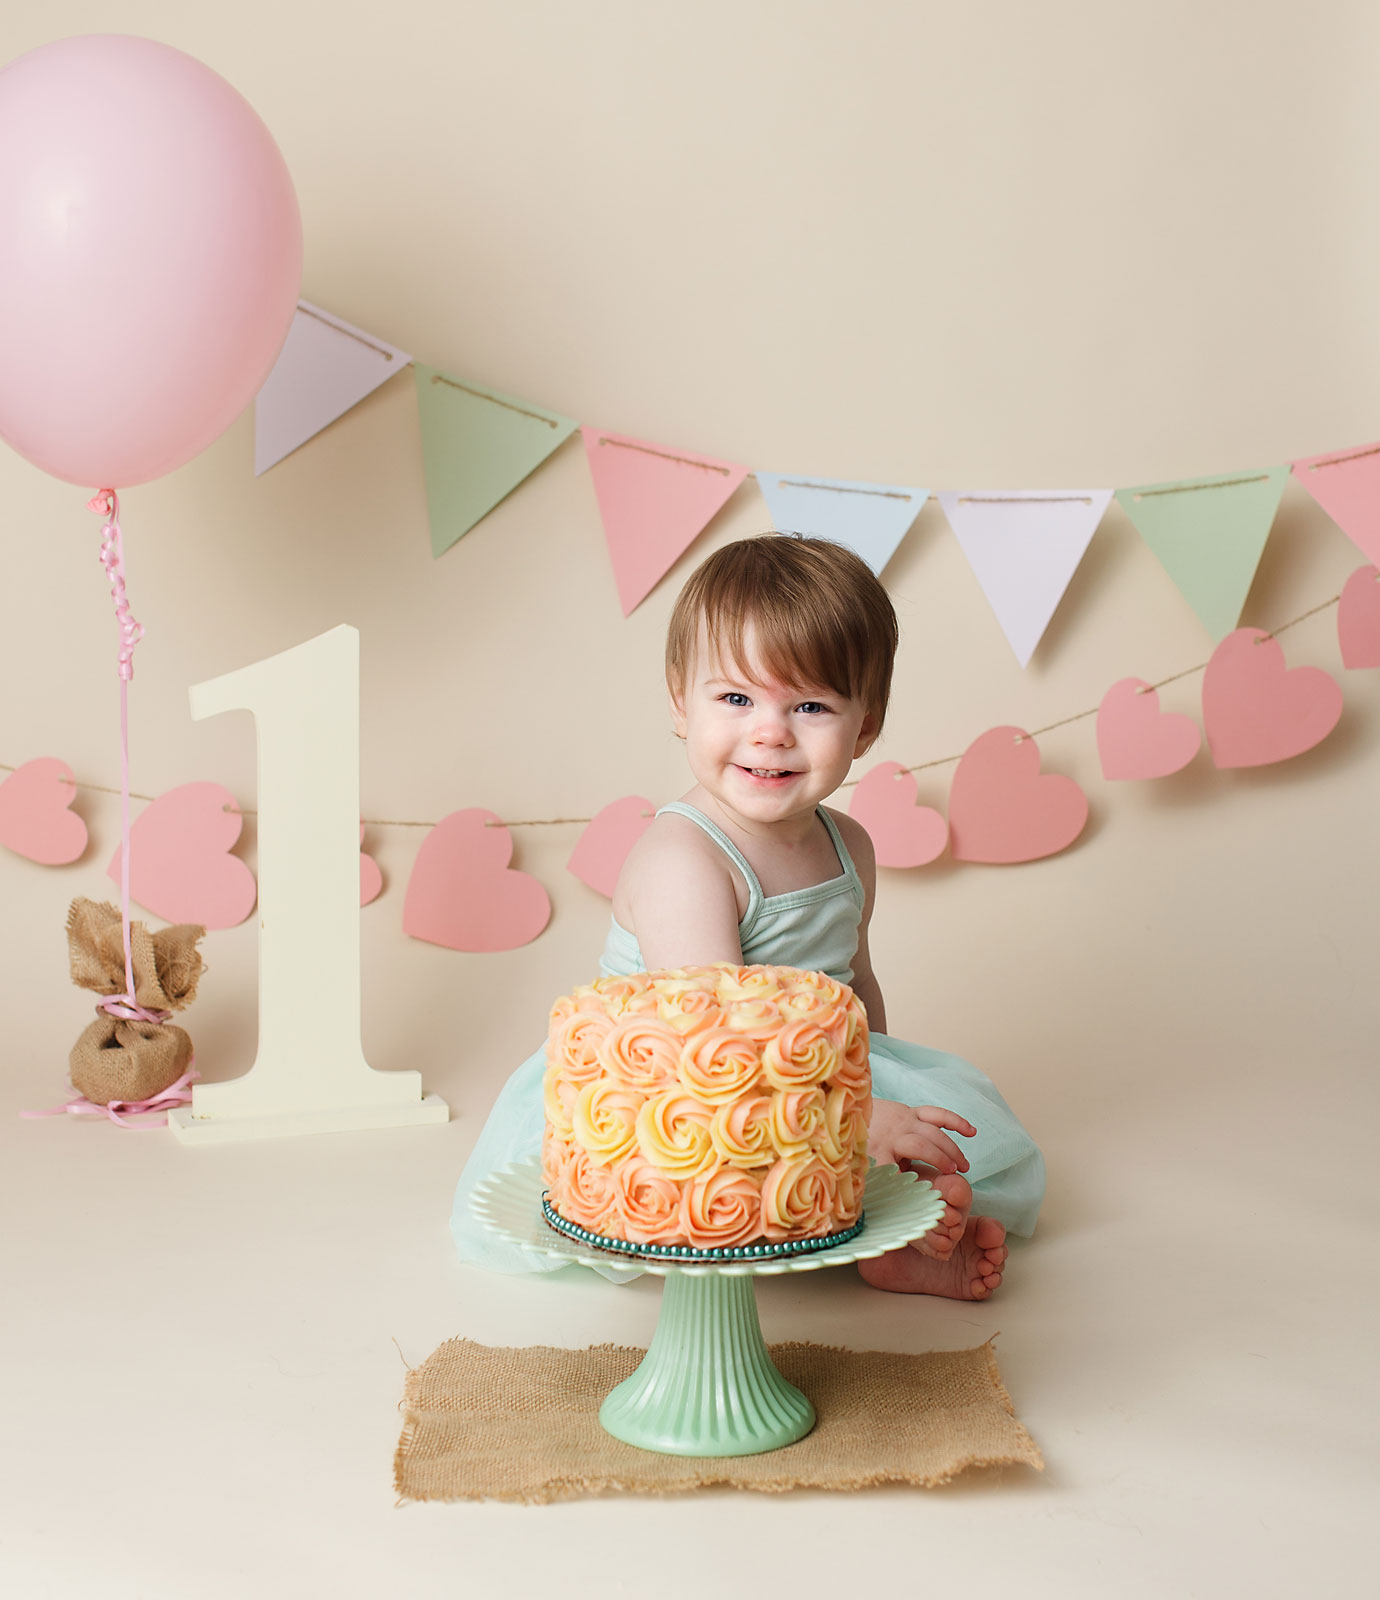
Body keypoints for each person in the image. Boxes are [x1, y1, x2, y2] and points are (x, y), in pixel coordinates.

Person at [451, 534, 1044, 1296]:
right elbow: (712, 1047)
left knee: (945, 1139)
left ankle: (888, 1239)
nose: (770, 731)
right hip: (682, 1093)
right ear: (679, 704)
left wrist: (877, 1099)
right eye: (735, 698)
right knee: (731, 1157)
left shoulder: (850, 845)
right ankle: (855, 1218)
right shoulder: (684, 860)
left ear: (865, 727)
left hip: (802, 1076)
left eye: (811, 705)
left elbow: (854, 990)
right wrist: (853, 1125)